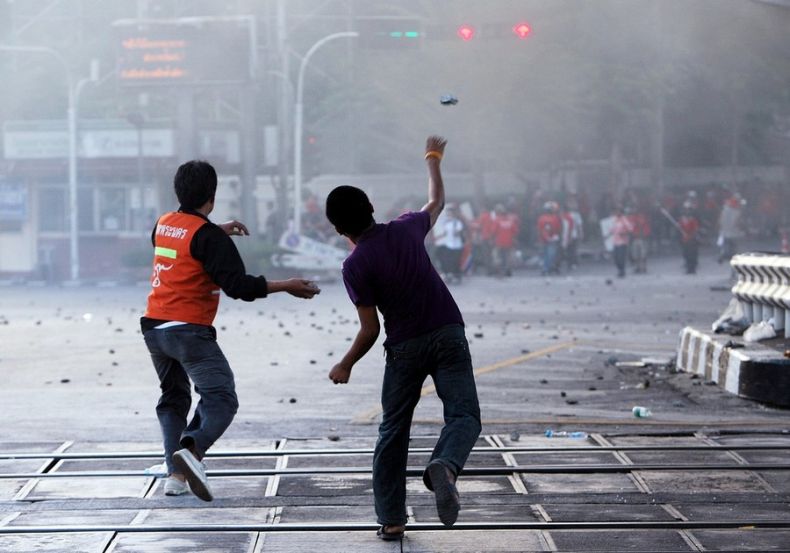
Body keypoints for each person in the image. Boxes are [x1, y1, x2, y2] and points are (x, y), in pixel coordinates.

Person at [324, 136, 481, 541]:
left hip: (404, 347)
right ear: (373, 209)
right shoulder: (407, 228)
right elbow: (437, 202)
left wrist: (345, 364)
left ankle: (392, 518)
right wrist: (433, 159)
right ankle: (445, 465)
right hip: (448, 331)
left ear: (339, 228)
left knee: (393, 431)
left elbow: (370, 329)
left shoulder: (355, 265)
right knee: (463, 415)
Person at [141, 160, 320, 502]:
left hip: (155, 329)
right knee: (221, 398)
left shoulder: (163, 224)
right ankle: (191, 452)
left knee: (174, 399)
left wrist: (215, 230)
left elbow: (186, 243)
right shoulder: (208, 237)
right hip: (188, 330)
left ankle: (175, 477)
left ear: (178, 191)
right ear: (212, 194)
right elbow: (239, 286)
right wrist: (288, 285)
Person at [433, 203, 465, 283]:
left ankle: (456, 276)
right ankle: (448, 275)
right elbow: (445, 233)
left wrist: (456, 232)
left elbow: (458, 233)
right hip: (447, 244)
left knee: (455, 261)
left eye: (450, 213)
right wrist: (438, 238)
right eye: (447, 213)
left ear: (453, 213)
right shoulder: (446, 223)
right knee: (447, 260)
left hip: (456, 245)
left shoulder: (457, 222)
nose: (448, 214)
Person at [537, 201, 561, 276]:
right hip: (548, 238)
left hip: (549, 238)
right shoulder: (551, 218)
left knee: (548, 254)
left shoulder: (544, 218)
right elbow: (540, 229)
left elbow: (557, 229)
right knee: (548, 254)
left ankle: (547, 268)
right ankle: (546, 268)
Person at [608, 206, 633, 278]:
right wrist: (607, 236)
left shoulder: (624, 219)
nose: (616, 213)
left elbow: (630, 229)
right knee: (615, 258)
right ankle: (619, 269)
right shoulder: (615, 220)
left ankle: (622, 271)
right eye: (616, 211)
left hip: (623, 242)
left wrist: (624, 233)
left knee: (621, 257)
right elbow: (612, 229)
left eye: (618, 211)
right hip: (615, 241)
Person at [679, 201, 700, 274]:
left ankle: (692, 268)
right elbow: (680, 229)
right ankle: (688, 267)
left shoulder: (693, 219)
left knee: (693, 254)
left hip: (692, 239)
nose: (687, 211)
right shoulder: (682, 219)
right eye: (686, 209)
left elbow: (695, 229)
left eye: (688, 209)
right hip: (685, 240)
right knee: (686, 254)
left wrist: (691, 235)